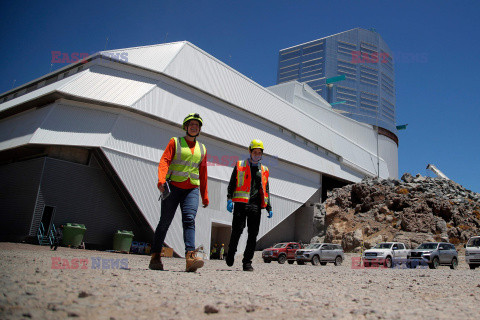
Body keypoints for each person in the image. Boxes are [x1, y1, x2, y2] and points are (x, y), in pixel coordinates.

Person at [149, 113, 209, 272]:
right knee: (164, 223)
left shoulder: (202, 148)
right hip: (173, 188)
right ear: (186, 127)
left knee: (189, 219)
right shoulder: (175, 142)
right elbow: (164, 161)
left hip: (192, 190)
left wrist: (205, 195)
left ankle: (190, 258)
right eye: (191, 124)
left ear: (199, 129)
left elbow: (203, 173)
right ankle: (155, 256)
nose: (194, 126)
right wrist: (161, 180)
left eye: (197, 125)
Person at [225, 139, 273, 271]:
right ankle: (231, 254)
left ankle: (247, 262)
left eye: (259, 152)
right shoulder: (240, 165)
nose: (257, 154)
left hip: (255, 206)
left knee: (253, 235)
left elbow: (266, 189)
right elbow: (232, 184)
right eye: (255, 152)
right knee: (237, 231)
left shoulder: (264, 170)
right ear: (250, 152)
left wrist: (269, 206)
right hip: (240, 204)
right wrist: (229, 199)